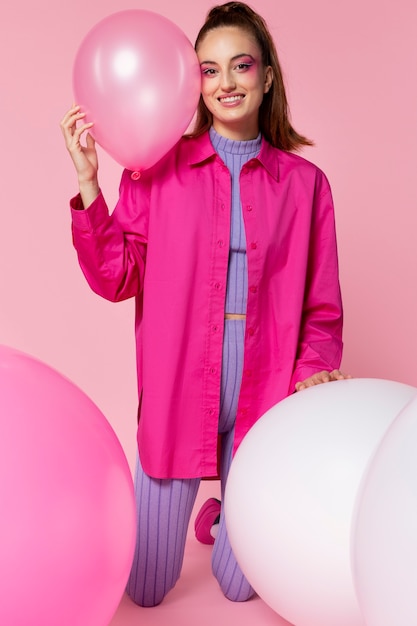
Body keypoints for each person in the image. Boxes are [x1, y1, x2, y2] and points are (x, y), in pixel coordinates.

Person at [61, 1, 349, 607]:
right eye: (210, 70)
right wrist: (90, 184)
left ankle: (224, 511)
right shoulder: (153, 173)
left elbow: (321, 308)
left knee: (242, 589)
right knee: (143, 590)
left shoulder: (306, 185)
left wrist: (313, 371)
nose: (227, 83)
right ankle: (201, 506)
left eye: (241, 66)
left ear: (266, 76)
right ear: (193, 82)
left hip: (265, 393)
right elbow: (116, 277)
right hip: (177, 392)